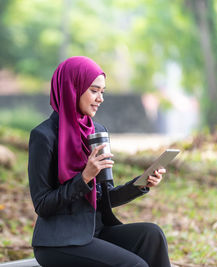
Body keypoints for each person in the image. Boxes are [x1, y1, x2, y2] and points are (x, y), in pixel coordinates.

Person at [28, 56, 171, 267]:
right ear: (72, 88)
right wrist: (84, 177)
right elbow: (42, 205)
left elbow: (106, 198)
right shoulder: (44, 136)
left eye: (102, 92)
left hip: (95, 232)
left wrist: (142, 183)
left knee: (152, 235)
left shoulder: (98, 132)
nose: (100, 99)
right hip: (59, 242)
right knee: (134, 265)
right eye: (94, 91)